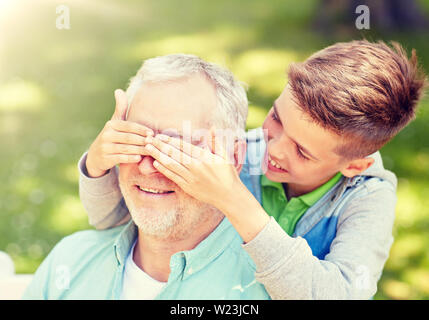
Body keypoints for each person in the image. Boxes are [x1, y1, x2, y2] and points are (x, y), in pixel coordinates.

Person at [77, 40, 427, 299]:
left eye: (302, 152)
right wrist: (97, 164)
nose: (271, 149)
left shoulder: (368, 198)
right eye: (276, 118)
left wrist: (234, 200)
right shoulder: (240, 151)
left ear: (355, 165)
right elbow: (113, 220)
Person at [22, 54, 271, 299]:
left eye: (175, 147)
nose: (147, 167)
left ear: (235, 157)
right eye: (136, 139)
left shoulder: (267, 289)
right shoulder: (68, 261)